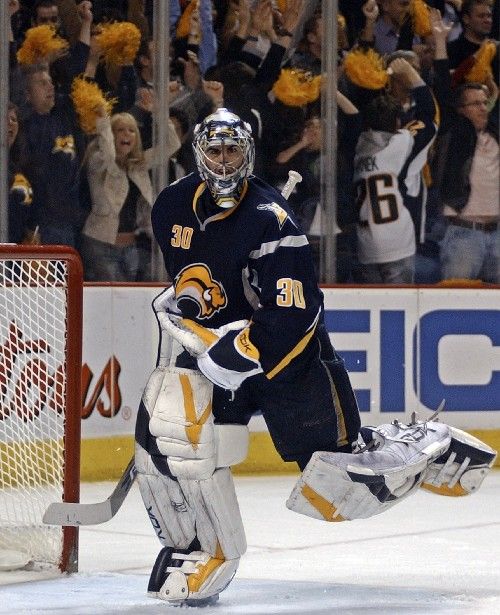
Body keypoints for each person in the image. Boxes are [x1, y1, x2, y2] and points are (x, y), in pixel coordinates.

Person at [133, 108, 496, 606]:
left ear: (248, 155)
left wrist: (234, 351)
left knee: (342, 487)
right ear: (198, 154)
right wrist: (185, 310)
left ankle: (422, 445)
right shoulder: (171, 205)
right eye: (214, 151)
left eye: (233, 151)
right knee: (166, 441)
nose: (223, 162)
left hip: (290, 362)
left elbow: (294, 313)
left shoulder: (272, 218)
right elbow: (198, 276)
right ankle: (197, 550)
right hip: (214, 351)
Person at [353, 57, 438, 284]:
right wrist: (413, 74)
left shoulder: (360, 146)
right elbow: (428, 116)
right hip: (397, 243)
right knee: (398, 311)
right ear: (398, 121)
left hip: (366, 245)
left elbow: (354, 118)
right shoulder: (400, 142)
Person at [79, 109, 180, 281]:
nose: (127, 134)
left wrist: (158, 112)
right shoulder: (98, 160)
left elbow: (172, 144)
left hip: (131, 247)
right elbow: (109, 156)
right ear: (110, 135)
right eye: (120, 130)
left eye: (131, 130)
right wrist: (103, 123)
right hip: (101, 246)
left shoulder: (138, 165)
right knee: (111, 303)